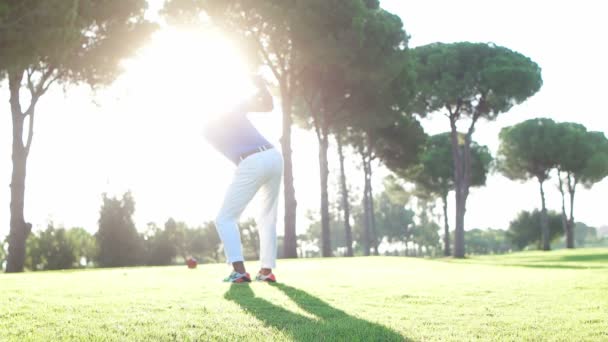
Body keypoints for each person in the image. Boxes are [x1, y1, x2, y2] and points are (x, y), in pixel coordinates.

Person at [203, 75, 283, 283]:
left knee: (225, 218)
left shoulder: (207, 127)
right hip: (274, 156)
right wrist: (261, 87)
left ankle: (239, 271)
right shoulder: (233, 107)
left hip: (251, 161)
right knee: (267, 217)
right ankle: (266, 272)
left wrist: (259, 89)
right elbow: (268, 106)